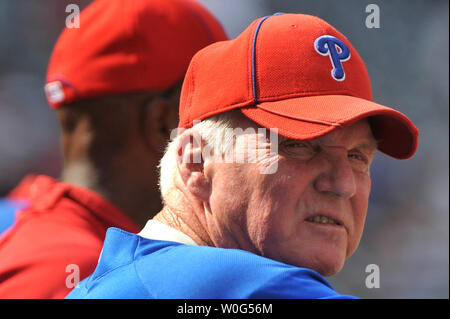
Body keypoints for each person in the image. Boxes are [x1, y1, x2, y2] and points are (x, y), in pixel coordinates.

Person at [66, 13, 418, 299]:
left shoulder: (108, 282)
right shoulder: (248, 286)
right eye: (300, 145)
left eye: (358, 156)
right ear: (197, 161)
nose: (342, 184)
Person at [0, 0, 227, 298]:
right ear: (163, 123)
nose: (235, 133)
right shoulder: (86, 273)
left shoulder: (70, 245)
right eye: (221, 113)